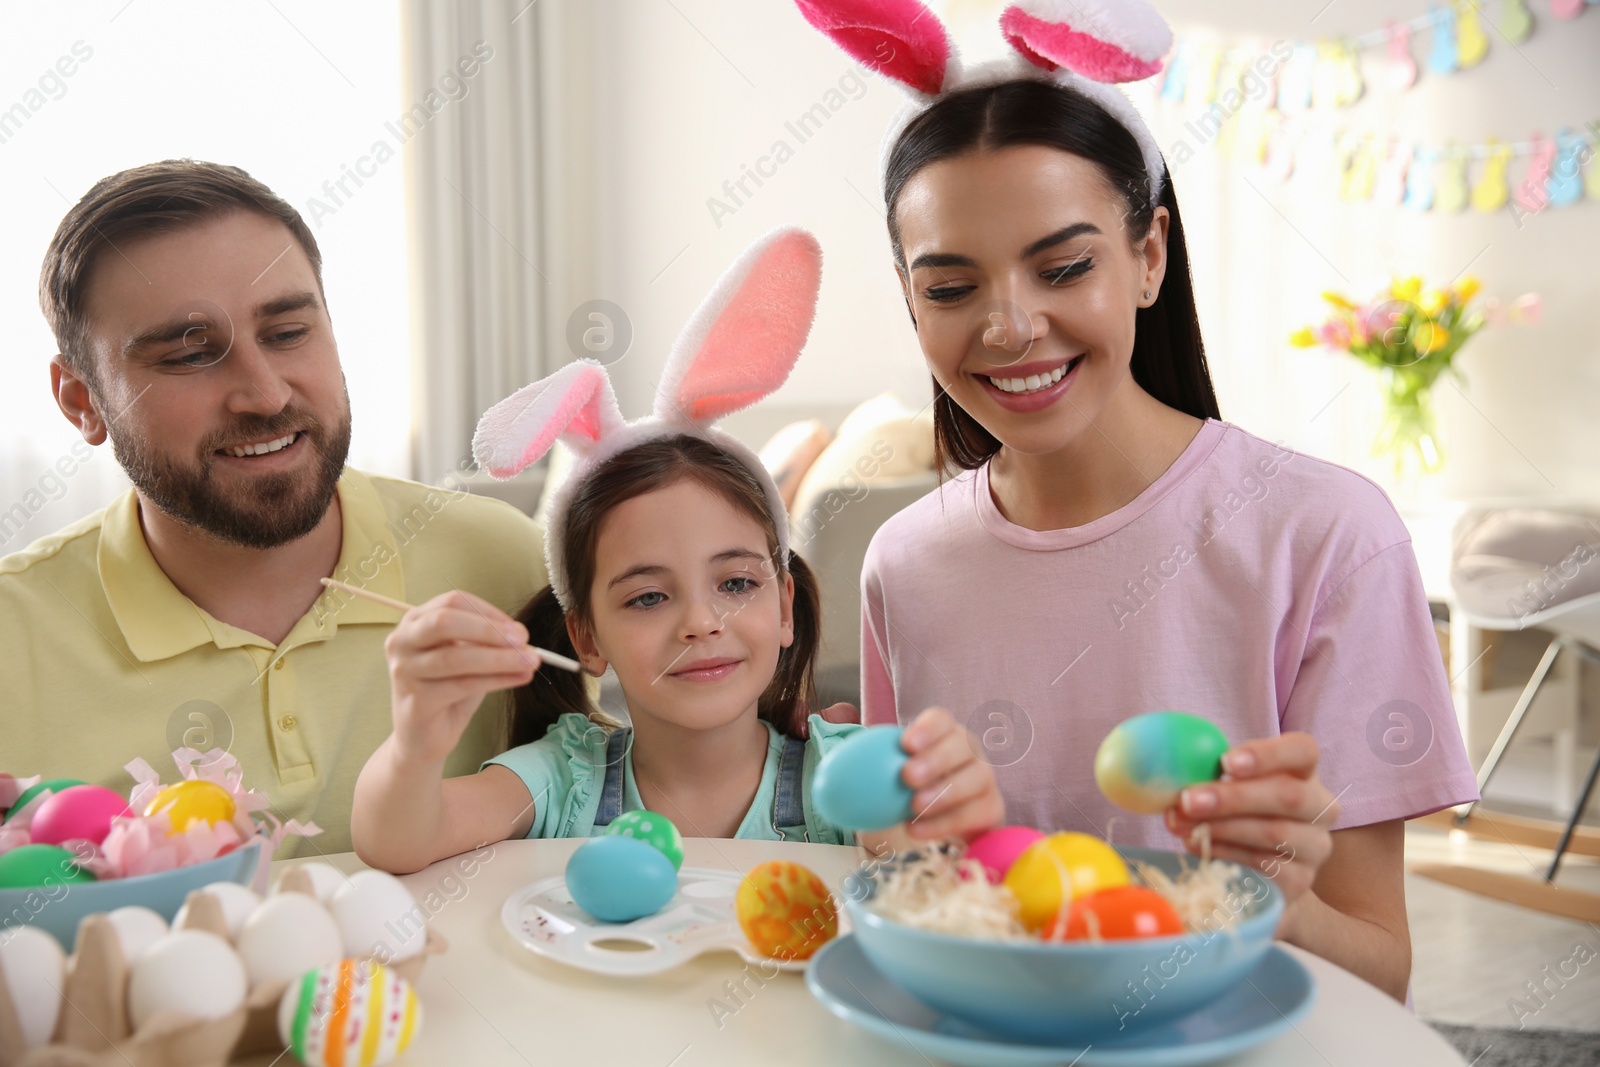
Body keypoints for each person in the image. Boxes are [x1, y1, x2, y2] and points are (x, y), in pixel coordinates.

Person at [795, 0, 1478, 1000]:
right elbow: (915, 886)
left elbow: (1382, 974)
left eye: (1063, 265)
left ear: (1148, 255)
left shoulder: (1328, 536)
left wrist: (1275, 900)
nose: (1009, 326)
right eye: (950, 288)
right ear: (909, 298)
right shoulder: (905, 561)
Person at [352, 230, 1004, 873]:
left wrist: (946, 815)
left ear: (784, 607)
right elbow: (399, 841)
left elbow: (928, 876)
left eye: (736, 584)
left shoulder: (841, 773)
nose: (701, 621)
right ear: (586, 637)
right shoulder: (566, 773)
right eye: (649, 596)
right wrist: (415, 745)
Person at [0, 160, 546, 854]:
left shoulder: (505, 560)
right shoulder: (11, 639)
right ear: (82, 401)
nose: (264, 393)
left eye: (288, 334)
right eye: (192, 355)